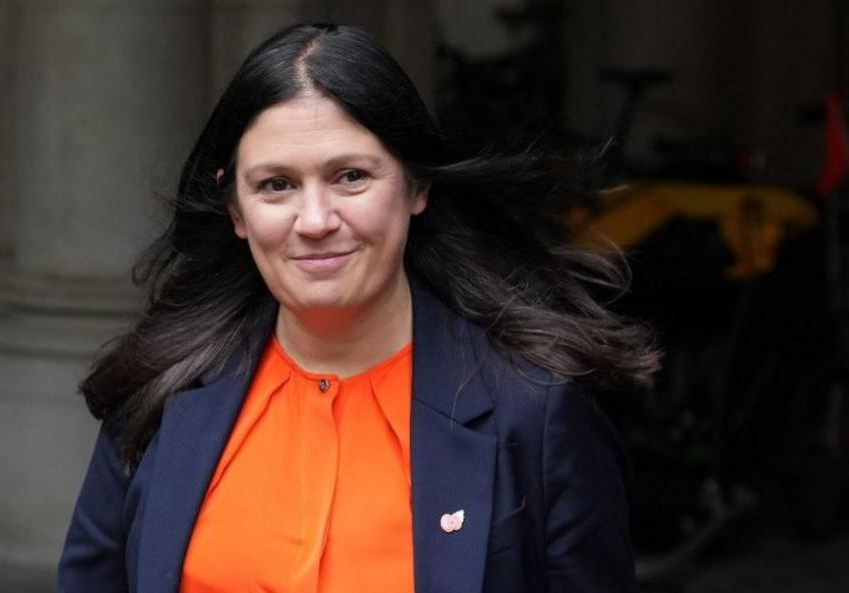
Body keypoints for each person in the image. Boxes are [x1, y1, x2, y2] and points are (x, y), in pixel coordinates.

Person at [59, 23, 659, 593]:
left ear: (416, 186)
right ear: (237, 211)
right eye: (276, 185)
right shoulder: (163, 392)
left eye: (350, 176)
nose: (315, 221)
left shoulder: (534, 412)